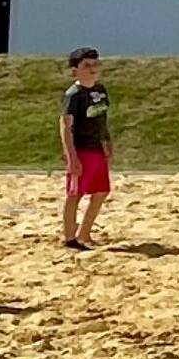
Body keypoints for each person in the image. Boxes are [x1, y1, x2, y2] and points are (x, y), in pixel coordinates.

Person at [59, 47, 113, 251]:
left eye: (95, 64)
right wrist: (71, 156)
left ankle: (85, 233)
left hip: (97, 148)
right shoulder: (74, 95)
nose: (93, 69)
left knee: (101, 191)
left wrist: (107, 141)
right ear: (75, 71)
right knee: (75, 194)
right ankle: (70, 238)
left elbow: (101, 118)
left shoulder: (100, 90)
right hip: (82, 150)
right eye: (87, 65)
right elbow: (65, 125)